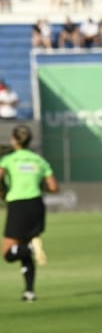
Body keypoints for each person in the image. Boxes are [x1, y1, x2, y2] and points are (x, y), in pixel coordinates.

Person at [1, 125, 59, 302]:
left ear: (14, 139)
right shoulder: (39, 160)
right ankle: (29, 292)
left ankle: (31, 248)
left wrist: (2, 193)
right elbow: (54, 187)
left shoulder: (9, 159)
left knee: (8, 253)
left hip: (18, 205)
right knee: (24, 252)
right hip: (36, 205)